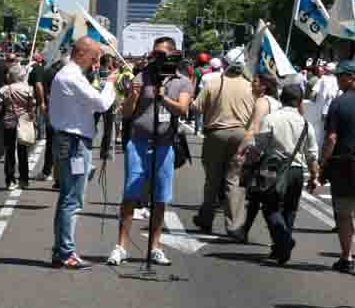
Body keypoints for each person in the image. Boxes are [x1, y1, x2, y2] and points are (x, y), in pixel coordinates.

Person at [107, 38, 193, 267]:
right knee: (130, 195)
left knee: (160, 198)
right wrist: (133, 96)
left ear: (173, 55)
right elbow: (126, 113)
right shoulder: (141, 77)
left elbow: (182, 109)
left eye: (163, 54)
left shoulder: (182, 81)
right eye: (155, 53)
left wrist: (162, 96)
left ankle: (155, 247)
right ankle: (121, 247)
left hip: (164, 145)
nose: (158, 58)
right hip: (138, 143)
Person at [49, 37, 117, 269]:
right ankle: (66, 252)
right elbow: (101, 104)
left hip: (71, 140)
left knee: (67, 197)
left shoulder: (70, 75)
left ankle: (61, 250)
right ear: (82, 54)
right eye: (94, 57)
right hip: (75, 142)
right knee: (72, 199)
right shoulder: (72, 76)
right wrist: (111, 83)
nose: (96, 62)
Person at [318, 61, 355, 277]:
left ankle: (347, 257)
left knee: (344, 214)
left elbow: (331, 139)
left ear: (351, 78)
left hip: (344, 164)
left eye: (340, 76)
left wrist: (322, 163)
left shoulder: (339, 103)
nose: (337, 80)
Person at [247, 84, 318, 264]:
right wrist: (314, 175)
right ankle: (280, 248)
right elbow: (311, 154)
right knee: (290, 209)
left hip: (273, 168)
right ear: (300, 102)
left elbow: (259, 145)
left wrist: (249, 162)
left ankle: (284, 242)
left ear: (281, 99)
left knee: (270, 207)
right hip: (296, 171)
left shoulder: (271, 118)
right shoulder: (305, 123)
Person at [191, 49, 255, 236]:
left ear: (225, 64)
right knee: (233, 180)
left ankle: (206, 219)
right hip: (241, 135)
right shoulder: (250, 86)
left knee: (212, 180)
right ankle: (234, 226)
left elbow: (196, 108)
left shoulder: (213, 83)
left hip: (216, 134)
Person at [231, 73, 281, 243]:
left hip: (259, 153)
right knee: (262, 196)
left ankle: (249, 231)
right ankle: (249, 230)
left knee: (254, 195)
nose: (251, 84)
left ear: (264, 86)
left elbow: (254, 128)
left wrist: (240, 151)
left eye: (255, 82)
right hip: (275, 153)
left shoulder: (262, 102)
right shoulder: (276, 103)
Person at [0, 64, 36, 190]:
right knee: (23, 151)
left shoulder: (5, 89)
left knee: (10, 151)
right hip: (24, 122)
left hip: (9, 122)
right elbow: (32, 106)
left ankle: (10, 180)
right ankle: (24, 179)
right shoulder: (29, 89)